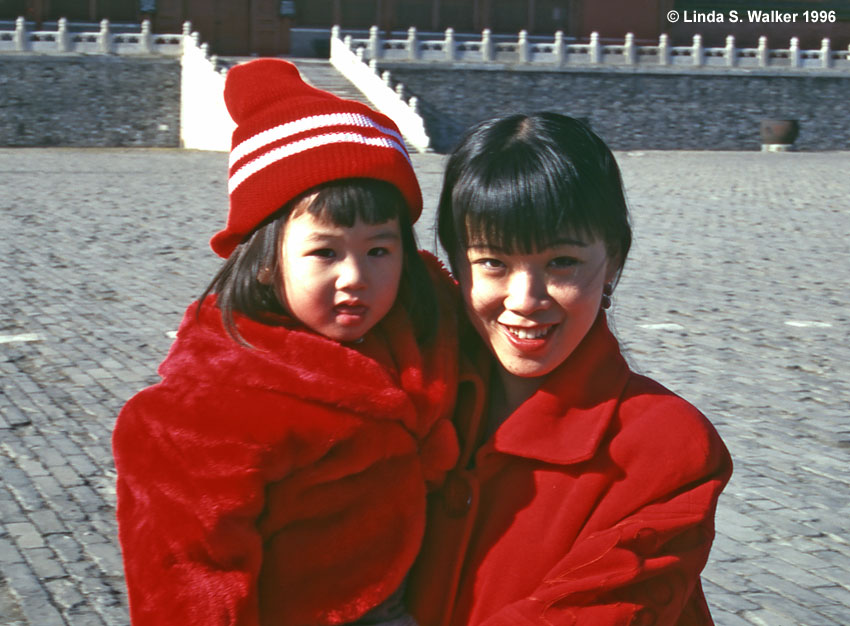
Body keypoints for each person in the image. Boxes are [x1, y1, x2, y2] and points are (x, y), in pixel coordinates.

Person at [112, 59, 460, 626]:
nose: (355, 276)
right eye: (324, 252)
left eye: (379, 249)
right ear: (266, 262)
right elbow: (191, 582)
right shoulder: (212, 410)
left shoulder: (419, 329)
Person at [407, 113, 733, 625]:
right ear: (454, 259)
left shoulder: (666, 448)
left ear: (615, 261)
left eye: (562, 263)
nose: (525, 300)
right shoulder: (402, 396)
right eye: (492, 262)